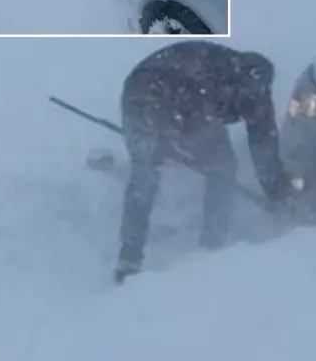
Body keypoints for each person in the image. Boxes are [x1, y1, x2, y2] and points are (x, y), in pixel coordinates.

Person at [114, 40, 293, 284]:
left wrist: (167, 140)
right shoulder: (251, 86)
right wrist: (277, 193)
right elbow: (264, 145)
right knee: (222, 168)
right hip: (183, 94)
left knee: (144, 172)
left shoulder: (225, 64)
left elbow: (261, 142)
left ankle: (128, 260)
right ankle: (211, 250)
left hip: (136, 90)